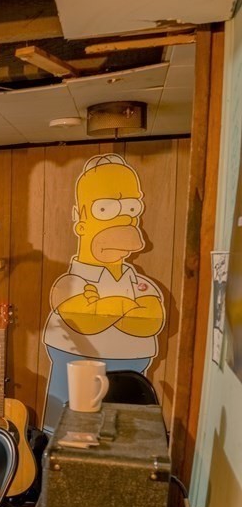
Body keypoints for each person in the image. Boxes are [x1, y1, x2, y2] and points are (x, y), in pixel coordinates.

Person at [42, 154, 165, 431]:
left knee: (124, 440)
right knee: (65, 436)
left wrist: (106, 307)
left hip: (132, 382)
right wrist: (123, 308)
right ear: (80, 218)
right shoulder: (69, 282)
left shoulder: (139, 283)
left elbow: (151, 319)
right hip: (72, 376)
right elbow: (83, 321)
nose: (124, 219)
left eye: (132, 208)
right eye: (106, 209)